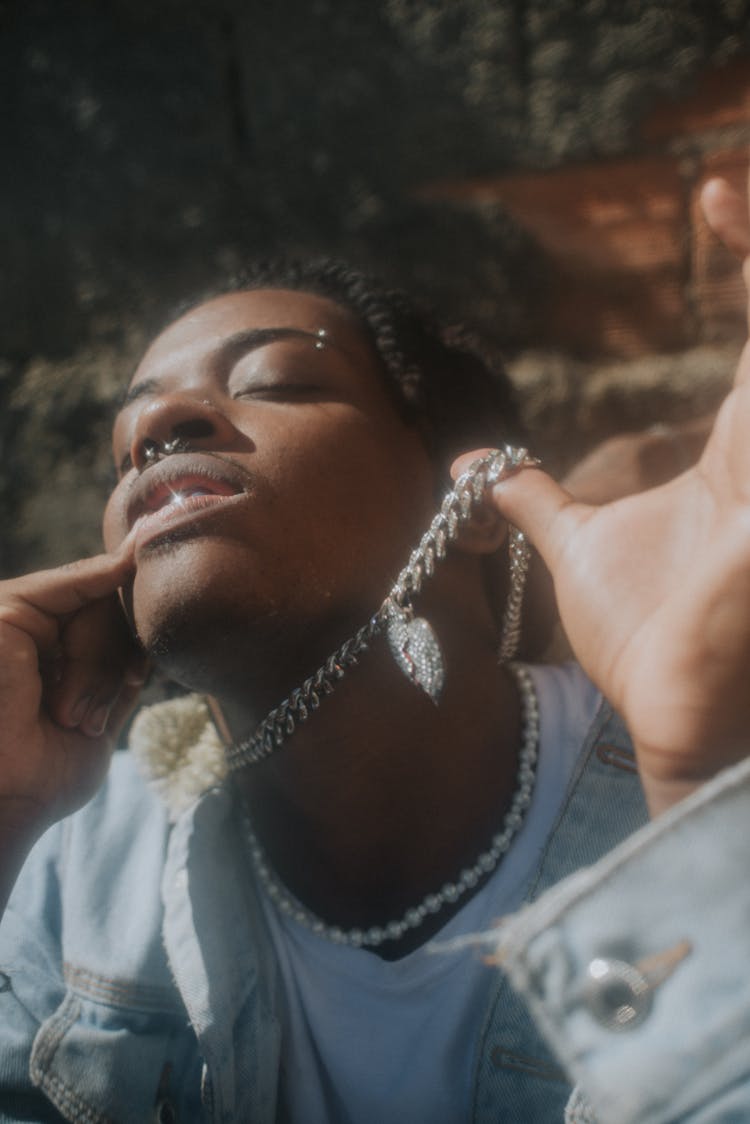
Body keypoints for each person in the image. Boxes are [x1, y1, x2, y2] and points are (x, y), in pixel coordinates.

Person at [0, 178, 749, 1124]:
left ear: (468, 499)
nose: (158, 430)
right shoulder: (66, 863)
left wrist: (698, 796)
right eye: (127, 446)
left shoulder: (715, 784)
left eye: (273, 380)